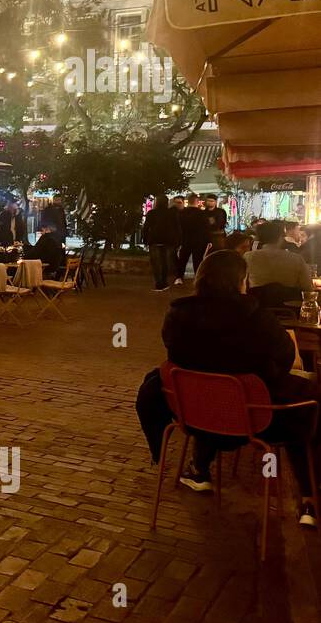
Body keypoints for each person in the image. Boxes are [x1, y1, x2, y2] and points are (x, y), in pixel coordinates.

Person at [135, 250, 316, 526]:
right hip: (257, 421)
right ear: (240, 281)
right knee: (309, 408)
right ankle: (310, 497)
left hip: (193, 415)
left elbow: (179, 357)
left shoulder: (178, 315)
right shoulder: (256, 317)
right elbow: (285, 357)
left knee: (212, 385)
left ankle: (199, 469)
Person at [244, 219, 311, 305]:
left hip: (258, 308)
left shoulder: (249, 257)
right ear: (280, 238)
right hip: (290, 310)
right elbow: (307, 288)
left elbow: (243, 285)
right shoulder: (296, 259)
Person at [141, 195, 183, 291]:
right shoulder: (171, 214)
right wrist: (179, 241)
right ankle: (164, 281)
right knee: (165, 262)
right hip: (168, 241)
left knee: (156, 263)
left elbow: (146, 227)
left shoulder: (152, 213)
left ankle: (158, 282)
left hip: (155, 240)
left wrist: (146, 240)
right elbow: (177, 228)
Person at [176, 193, 211, 282]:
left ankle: (179, 277)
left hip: (185, 239)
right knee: (198, 260)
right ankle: (197, 277)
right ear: (197, 202)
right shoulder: (202, 214)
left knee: (182, 259)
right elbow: (206, 228)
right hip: (199, 240)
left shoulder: (182, 213)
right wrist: (208, 240)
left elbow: (178, 227)